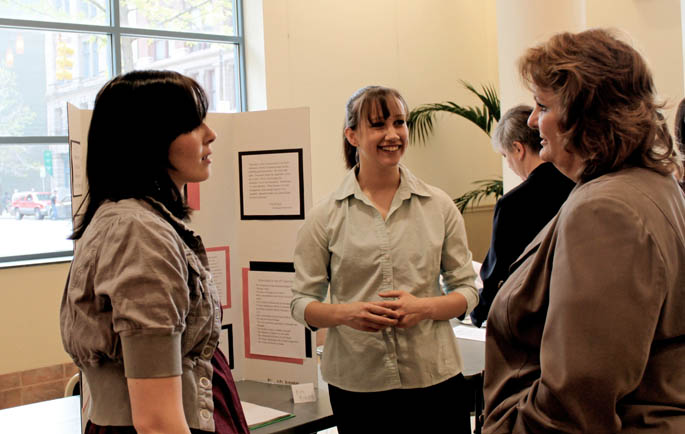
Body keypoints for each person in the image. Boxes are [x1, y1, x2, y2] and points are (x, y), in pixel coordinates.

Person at [483, 29, 685, 433]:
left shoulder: (606, 209)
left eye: (542, 106)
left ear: (586, 113)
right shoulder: (653, 183)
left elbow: (576, 398)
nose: (534, 120)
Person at [60, 71, 249, 434]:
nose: (210, 134)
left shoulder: (135, 220)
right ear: (149, 139)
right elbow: (156, 420)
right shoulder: (138, 232)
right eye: (193, 124)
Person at [290, 85, 478, 433]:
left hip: (435, 379)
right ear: (352, 135)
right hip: (359, 385)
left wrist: (424, 308)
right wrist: (347, 313)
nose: (392, 134)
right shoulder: (325, 216)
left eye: (399, 122)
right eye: (378, 124)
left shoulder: (438, 206)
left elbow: (467, 291)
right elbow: (302, 304)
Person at [470, 105, 574, 328]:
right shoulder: (578, 186)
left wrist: (475, 313)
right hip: (572, 310)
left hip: (529, 320)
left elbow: (497, 279)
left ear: (518, 149)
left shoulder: (512, 205)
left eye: (505, 155)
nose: (509, 163)